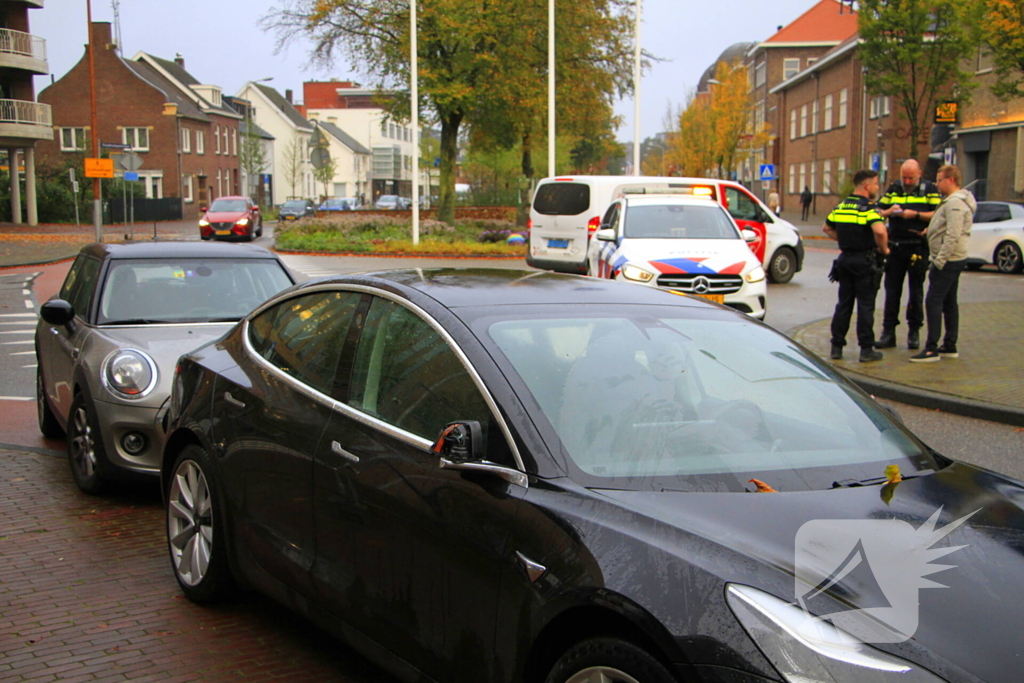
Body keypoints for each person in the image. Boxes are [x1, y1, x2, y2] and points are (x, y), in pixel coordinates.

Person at [910, 164, 975, 363]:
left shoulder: (955, 204)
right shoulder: (951, 202)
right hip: (953, 258)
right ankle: (949, 344)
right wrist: (928, 233)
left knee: (933, 301)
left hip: (949, 260)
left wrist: (940, 260)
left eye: (939, 180)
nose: (936, 184)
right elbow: (944, 227)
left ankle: (931, 349)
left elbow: (953, 234)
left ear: (951, 180)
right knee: (948, 301)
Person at [823, 170, 889, 362]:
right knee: (865, 306)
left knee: (844, 304)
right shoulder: (868, 208)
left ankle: (837, 347)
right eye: (876, 184)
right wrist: (883, 249)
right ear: (867, 186)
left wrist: (842, 240)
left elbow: (826, 227)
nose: (877, 187)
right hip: (864, 261)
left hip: (844, 260)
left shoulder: (842, 206)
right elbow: (880, 231)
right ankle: (866, 350)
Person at [875, 159, 941, 350]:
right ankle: (888, 333)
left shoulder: (929, 189)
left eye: (910, 177)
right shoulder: (894, 188)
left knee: (916, 292)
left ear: (919, 174)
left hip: (918, 247)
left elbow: (937, 214)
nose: (907, 181)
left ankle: (914, 332)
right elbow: (878, 211)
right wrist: (889, 211)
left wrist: (916, 215)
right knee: (892, 291)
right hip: (896, 246)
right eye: (904, 177)